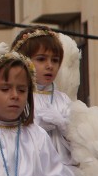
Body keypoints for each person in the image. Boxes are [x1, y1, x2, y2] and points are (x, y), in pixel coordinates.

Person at [11, 26, 76, 167]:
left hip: (63, 171)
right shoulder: (16, 98)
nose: (50, 66)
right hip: (30, 169)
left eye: (55, 60)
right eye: (41, 59)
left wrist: (64, 125)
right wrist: (36, 126)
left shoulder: (63, 99)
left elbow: (81, 144)